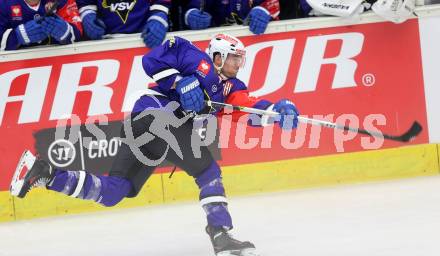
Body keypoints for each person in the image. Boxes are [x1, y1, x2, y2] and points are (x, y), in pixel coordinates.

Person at [9, 33, 299, 256]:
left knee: (114, 192)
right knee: (207, 170)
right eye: (235, 58)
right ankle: (221, 233)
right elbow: (150, 61)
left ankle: (46, 174)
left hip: (150, 133)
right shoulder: (193, 57)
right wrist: (178, 83)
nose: (239, 64)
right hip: (154, 115)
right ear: (219, 56)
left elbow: (248, 109)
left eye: (241, 60)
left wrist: (277, 112)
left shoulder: (230, 89)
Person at [76, 0, 171, 48]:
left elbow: (161, 2)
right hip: (104, 43)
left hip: (144, 39)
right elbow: (85, 3)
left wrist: (158, 16)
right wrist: (87, 14)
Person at [0, 0, 83, 51]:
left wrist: (66, 32)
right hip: (18, 66)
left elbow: (79, 32)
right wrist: (16, 37)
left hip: (58, 63)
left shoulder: (61, 1)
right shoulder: (4, 4)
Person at [183, 0, 280, 35]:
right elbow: (194, 6)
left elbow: (280, 5)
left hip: (256, 39)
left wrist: (266, 8)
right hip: (217, 44)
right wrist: (190, 15)